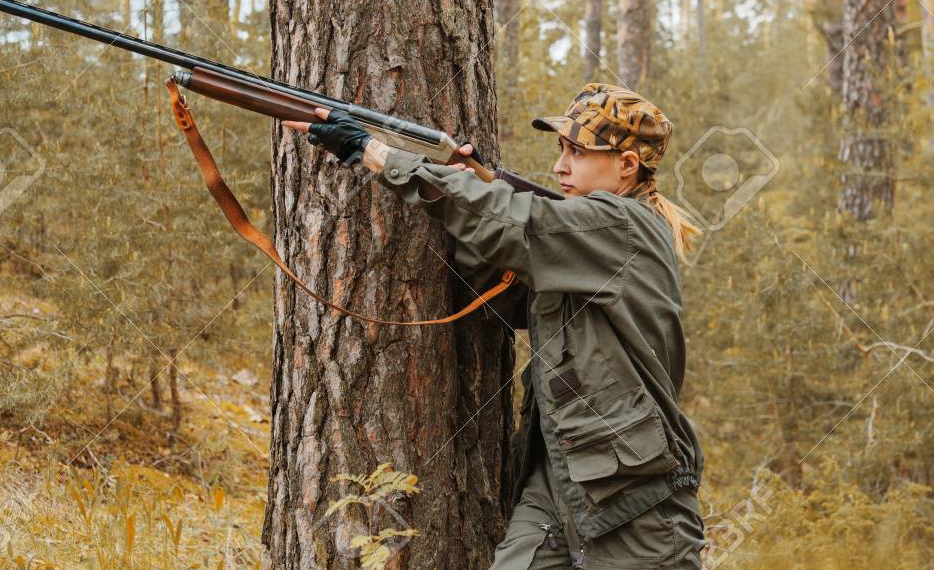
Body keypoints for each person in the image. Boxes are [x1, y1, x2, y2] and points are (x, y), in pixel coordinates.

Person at [283, 83, 706, 569]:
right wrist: (466, 179)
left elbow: (510, 223)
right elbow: (507, 293)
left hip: (638, 503)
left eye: (578, 153)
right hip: (562, 479)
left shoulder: (622, 223)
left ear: (627, 165)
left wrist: (377, 155)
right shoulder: (582, 238)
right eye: (561, 150)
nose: (560, 166)